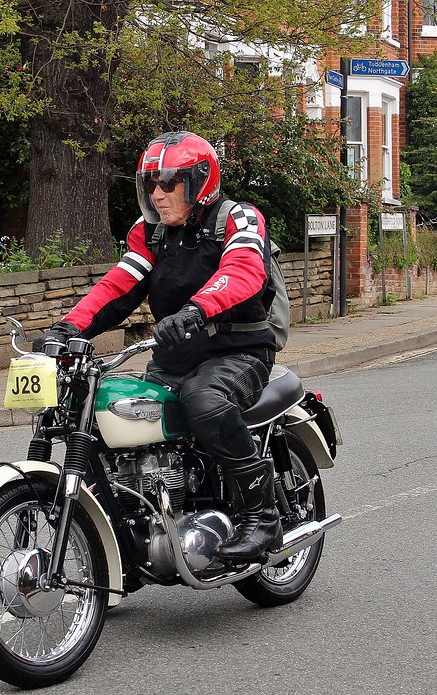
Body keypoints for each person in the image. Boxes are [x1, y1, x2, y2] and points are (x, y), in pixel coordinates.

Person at [36, 131, 282, 562]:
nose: (157, 193)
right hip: (174, 356)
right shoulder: (149, 233)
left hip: (238, 353)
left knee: (203, 401)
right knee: (112, 415)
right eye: (151, 183)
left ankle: (262, 517)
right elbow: (120, 285)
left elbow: (243, 272)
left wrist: (195, 312)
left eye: (169, 183)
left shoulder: (237, 218)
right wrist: (66, 328)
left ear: (199, 181)